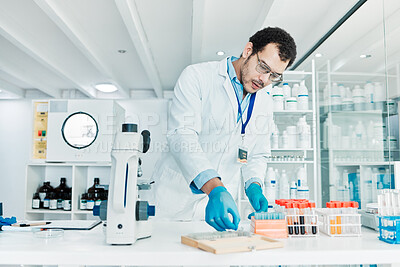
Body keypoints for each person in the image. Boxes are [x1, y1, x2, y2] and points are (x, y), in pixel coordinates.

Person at [152, 27, 296, 231]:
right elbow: (182, 136)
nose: (264, 80)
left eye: (274, 76)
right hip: (174, 202)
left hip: (220, 210)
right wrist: (215, 189)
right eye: (263, 67)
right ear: (248, 50)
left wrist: (254, 185)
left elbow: (257, 152)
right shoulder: (197, 76)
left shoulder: (265, 99)